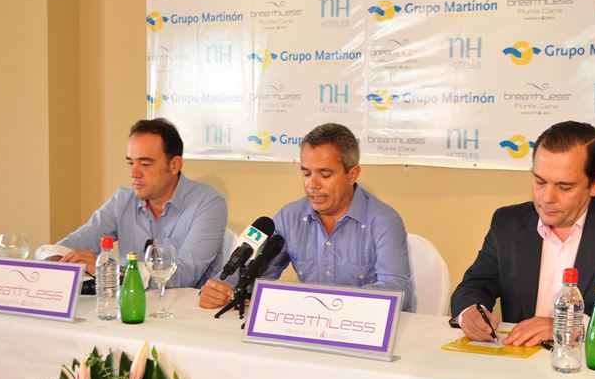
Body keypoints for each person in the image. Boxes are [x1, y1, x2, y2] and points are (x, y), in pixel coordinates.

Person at [451, 120, 595, 345]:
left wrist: (568, 325)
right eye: (539, 181)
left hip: (588, 361)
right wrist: (470, 312)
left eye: (564, 187)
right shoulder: (508, 223)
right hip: (521, 357)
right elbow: (474, 285)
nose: (547, 198)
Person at [199, 122, 413, 311]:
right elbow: (256, 271)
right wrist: (220, 287)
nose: (313, 185)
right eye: (306, 173)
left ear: (353, 174)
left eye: (325, 174)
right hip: (309, 326)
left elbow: (397, 290)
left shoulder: (383, 221)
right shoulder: (290, 217)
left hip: (364, 330)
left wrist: (332, 304)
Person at [58, 118, 227, 288]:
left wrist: (110, 270)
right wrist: (57, 257)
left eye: (145, 164)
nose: (134, 173)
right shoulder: (122, 201)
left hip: (183, 303)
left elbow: (185, 274)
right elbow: (76, 242)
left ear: (174, 165)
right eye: (131, 163)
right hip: (129, 301)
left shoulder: (208, 203)